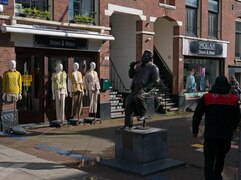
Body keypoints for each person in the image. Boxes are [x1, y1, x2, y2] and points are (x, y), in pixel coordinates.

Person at [192, 75, 240, 180]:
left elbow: (197, 115)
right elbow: (237, 118)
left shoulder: (206, 97)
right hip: (225, 137)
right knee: (221, 158)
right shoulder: (233, 99)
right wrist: (232, 129)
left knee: (209, 161)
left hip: (211, 136)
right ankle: (218, 177)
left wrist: (195, 130)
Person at [124, 50, 160, 128]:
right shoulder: (140, 67)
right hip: (135, 90)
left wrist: (146, 88)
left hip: (145, 90)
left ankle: (143, 114)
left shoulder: (153, 67)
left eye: (145, 56)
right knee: (128, 103)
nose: (143, 57)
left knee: (138, 97)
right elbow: (131, 76)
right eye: (143, 56)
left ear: (150, 58)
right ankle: (128, 125)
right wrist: (131, 67)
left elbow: (156, 81)